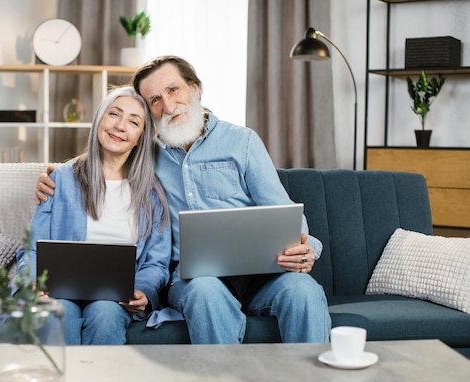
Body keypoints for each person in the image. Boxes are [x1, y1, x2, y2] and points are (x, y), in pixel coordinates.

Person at [36, 56, 330, 344]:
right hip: (192, 279)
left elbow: (284, 211)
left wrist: (306, 249)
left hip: (261, 275)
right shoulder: (147, 154)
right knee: (205, 291)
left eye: (173, 90)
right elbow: (109, 152)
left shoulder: (243, 142)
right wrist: (56, 174)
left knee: (302, 290)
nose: (168, 105)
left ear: (195, 89)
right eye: (154, 100)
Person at [19, 85, 171, 345]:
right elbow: (32, 249)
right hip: (57, 292)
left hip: (114, 298)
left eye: (133, 122)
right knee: (59, 312)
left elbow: (156, 262)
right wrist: (32, 284)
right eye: (114, 114)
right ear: (100, 119)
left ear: (141, 138)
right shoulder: (59, 179)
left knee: (105, 313)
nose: (120, 126)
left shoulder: (152, 194)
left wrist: (143, 292)